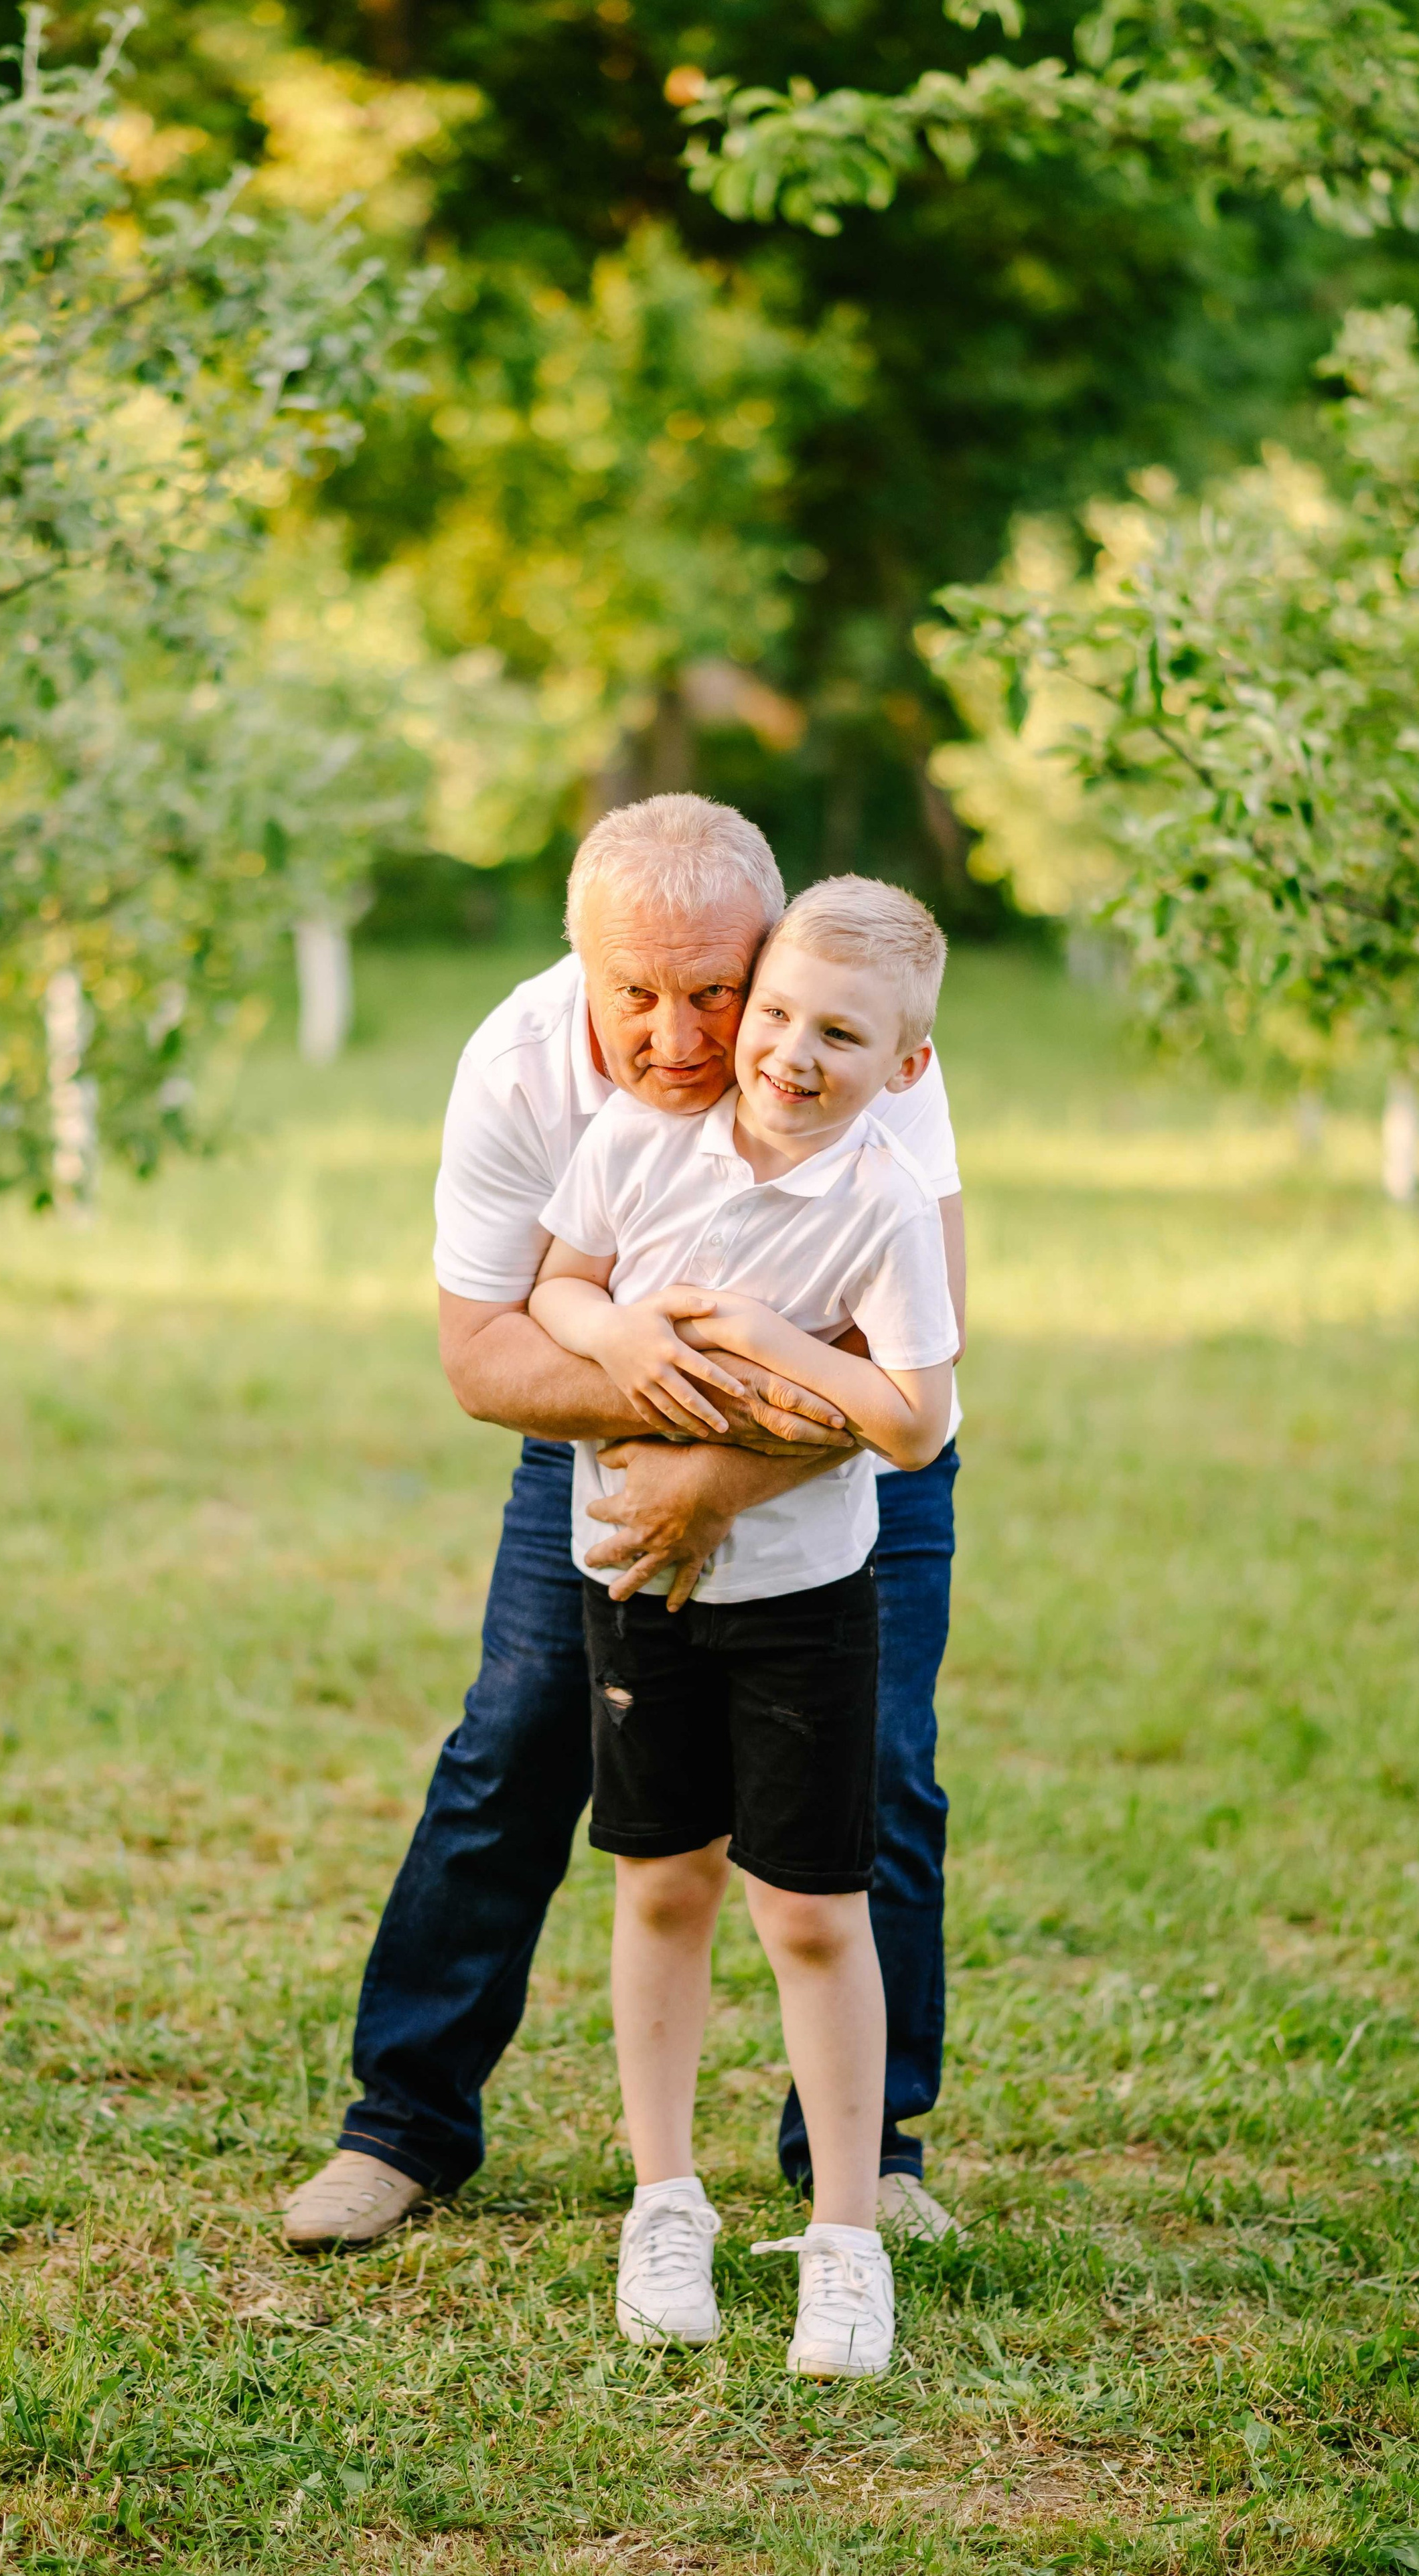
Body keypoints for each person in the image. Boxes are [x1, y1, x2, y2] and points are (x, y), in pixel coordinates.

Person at [282, 795, 967, 2251]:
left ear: (768, 957)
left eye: (715, 990)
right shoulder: (517, 1069)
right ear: (574, 963)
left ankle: (867, 2159)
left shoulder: (851, 1029)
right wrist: (631, 1384)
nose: (677, 1034)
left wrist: (717, 1473)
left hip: (838, 1469)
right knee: (517, 1736)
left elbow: (918, 1364)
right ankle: (400, 2126)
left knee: (879, 1771)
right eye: (631, 994)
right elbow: (484, 1358)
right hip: (597, 1449)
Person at [528, 872, 956, 2374]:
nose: (787, 1051)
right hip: (634, 1588)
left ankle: (844, 2236)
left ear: (903, 1067)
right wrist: (620, 1337)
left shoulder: (881, 1208)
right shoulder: (637, 1145)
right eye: (773, 1011)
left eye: (840, 1034)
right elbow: (558, 1286)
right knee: (658, 1888)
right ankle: (665, 2202)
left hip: (802, 1604)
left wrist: (782, 1346)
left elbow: (913, 1423)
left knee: (808, 1912)